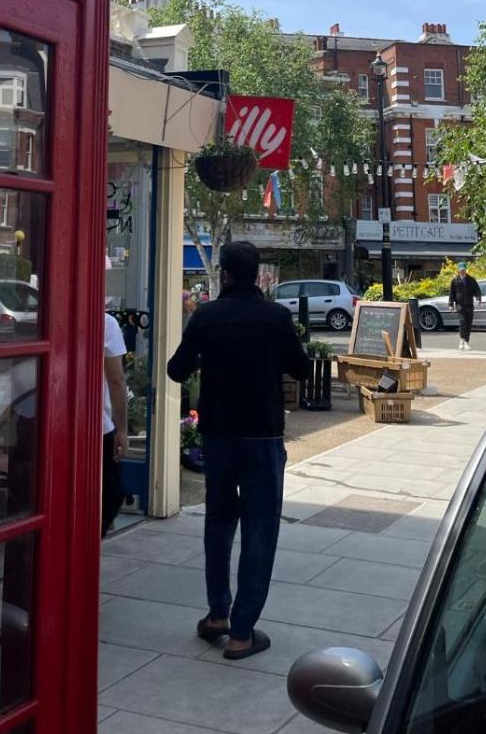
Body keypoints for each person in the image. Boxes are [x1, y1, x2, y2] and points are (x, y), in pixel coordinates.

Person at [167, 239, 310, 660]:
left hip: (218, 435)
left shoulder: (206, 316)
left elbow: (177, 369)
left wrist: (208, 355)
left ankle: (217, 613)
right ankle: (242, 632)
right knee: (260, 529)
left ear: (225, 274)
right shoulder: (275, 317)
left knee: (218, 522)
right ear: (257, 275)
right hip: (262, 436)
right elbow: (301, 368)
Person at [102, 310, 128, 537]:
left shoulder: (34, 317)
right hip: (95, 427)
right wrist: (122, 429)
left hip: (33, 420)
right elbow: (116, 379)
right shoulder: (106, 323)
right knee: (111, 494)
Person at [448, 261, 482, 351]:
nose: (462, 271)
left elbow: (477, 290)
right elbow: (451, 293)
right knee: (462, 322)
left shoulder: (471, 280)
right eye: (461, 270)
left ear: (466, 270)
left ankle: (466, 342)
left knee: (468, 324)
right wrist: (450, 304)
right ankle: (461, 340)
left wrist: (478, 299)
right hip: (460, 305)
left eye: (464, 270)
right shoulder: (454, 280)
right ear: (458, 270)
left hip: (469, 305)